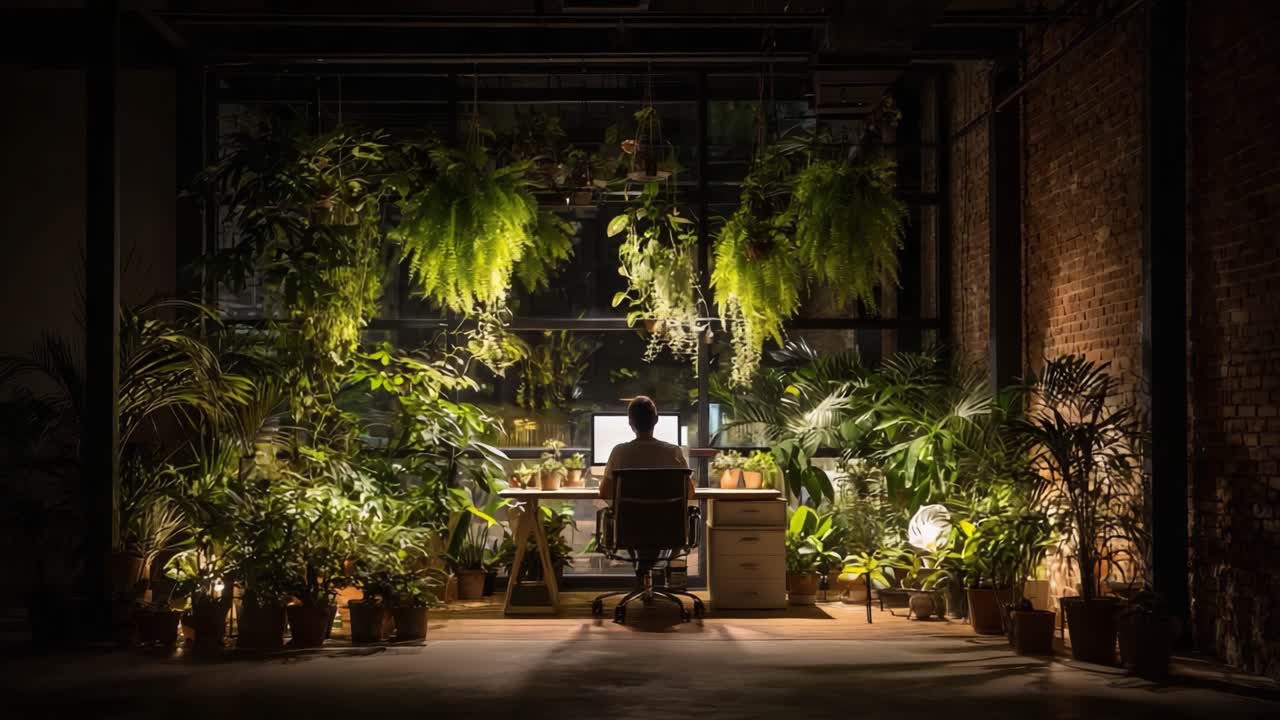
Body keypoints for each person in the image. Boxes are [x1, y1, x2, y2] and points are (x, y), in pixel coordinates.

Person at [598, 395, 694, 500]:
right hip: (664, 516)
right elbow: (689, 493)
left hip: (630, 516)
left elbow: (604, 493)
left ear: (630, 422)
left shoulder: (619, 452)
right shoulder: (674, 452)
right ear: (656, 420)